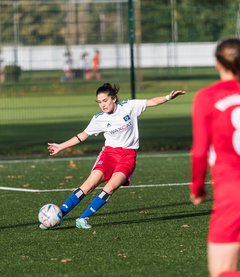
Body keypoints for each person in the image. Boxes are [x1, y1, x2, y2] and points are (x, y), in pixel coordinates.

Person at [45, 82, 185, 230]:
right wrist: (60, 146)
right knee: (88, 185)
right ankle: (59, 215)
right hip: (109, 155)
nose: (102, 105)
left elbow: (151, 102)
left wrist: (168, 97)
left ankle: (83, 218)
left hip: (128, 156)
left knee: (110, 187)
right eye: (99, 102)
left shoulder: (129, 107)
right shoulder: (99, 119)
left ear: (114, 98)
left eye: (105, 100)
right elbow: (82, 136)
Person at [190, 37, 240, 277]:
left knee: (222, 273)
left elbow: (199, 151)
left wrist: (197, 189)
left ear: (217, 64)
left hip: (233, 194)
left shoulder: (206, 97)